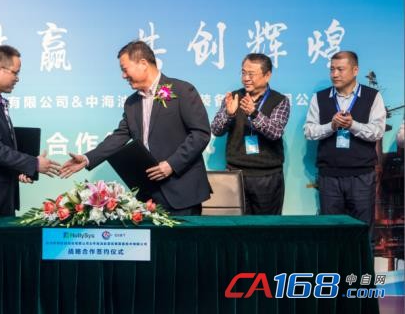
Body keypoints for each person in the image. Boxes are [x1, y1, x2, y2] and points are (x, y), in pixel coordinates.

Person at [60, 40, 211, 215]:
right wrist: (87, 158)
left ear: (143, 63)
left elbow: (200, 134)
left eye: (125, 69)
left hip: (182, 191)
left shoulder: (182, 90)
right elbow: (119, 136)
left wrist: (172, 164)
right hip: (148, 194)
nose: (123, 76)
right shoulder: (132, 103)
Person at [0, 45, 60, 217]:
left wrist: (20, 170)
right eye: (15, 72)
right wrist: (34, 163)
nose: (17, 78)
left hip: (0, 196)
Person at [304, 51, 385, 229]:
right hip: (329, 176)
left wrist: (352, 125)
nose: (335, 74)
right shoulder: (319, 97)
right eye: (332, 69)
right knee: (331, 232)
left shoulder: (373, 96)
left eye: (340, 69)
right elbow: (309, 131)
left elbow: (378, 132)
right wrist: (331, 126)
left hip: (362, 176)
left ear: (355, 70)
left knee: (362, 231)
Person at [210, 53, 290, 214]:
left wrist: (254, 113)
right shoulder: (234, 97)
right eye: (243, 73)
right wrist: (229, 114)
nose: (246, 78)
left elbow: (275, 132)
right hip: (235, 174)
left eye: (251, 74)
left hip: (267, 176)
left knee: (266, 225)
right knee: (235, 224)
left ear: (267, 75)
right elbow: (216, 130)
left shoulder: (280, 100)